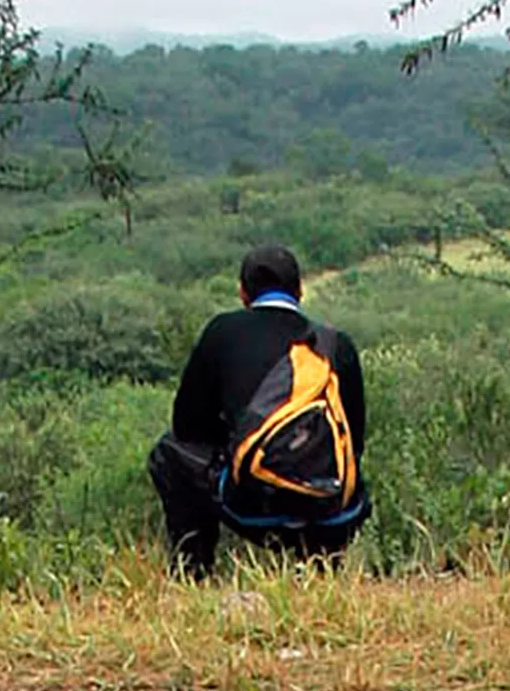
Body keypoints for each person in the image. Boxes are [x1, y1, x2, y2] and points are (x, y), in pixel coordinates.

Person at [148, 244, 370, 578]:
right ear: (300, 292)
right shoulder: (336, 345)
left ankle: (192, 573)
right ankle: (323, 572)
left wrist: (238, 440)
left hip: (256, 505)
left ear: (242, 293)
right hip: (335, 511)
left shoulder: (222, 332)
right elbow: (355, 440)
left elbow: (187, 426)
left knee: (168, 453)